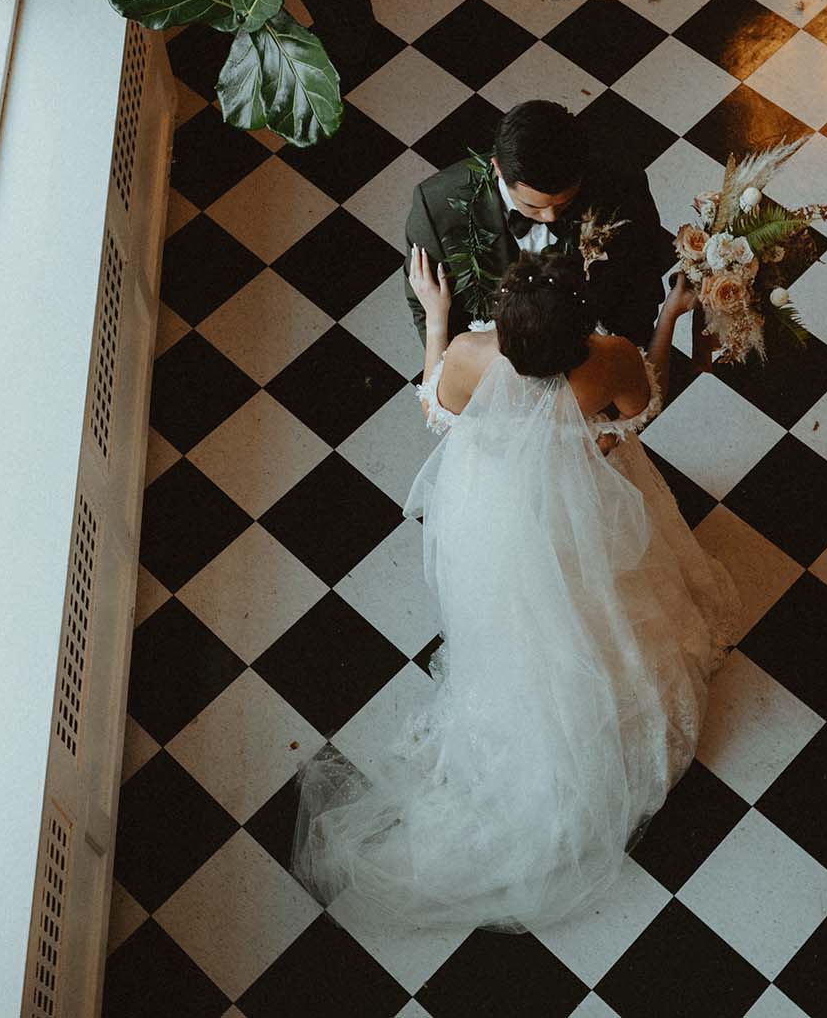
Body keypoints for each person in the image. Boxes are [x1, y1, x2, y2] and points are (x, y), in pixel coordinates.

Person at [291, 249, 740, 932]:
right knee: (599, 597)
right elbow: (643, 406)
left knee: (520, 619)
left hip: (494, 512)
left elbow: (433, 404)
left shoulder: (474, 355)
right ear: (579, 327)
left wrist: (437, 316)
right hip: (579, 510)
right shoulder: (609, 358)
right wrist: (671, 316)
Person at [404, 100, 668, 346]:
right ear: (498, 168)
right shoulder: (437, 207)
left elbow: (644, 277)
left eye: (564, 204)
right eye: (533, 206)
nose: (551, 217)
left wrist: (623, 358)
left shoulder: (622, 184)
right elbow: (425, 305)